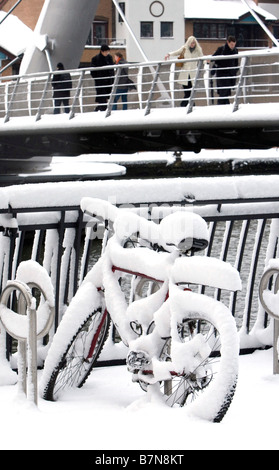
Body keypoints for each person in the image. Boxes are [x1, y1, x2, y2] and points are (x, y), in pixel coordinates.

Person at [165, 36, 204, 107]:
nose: (192, 45)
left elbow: (202, 57)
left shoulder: (198, 50)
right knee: (187, 91)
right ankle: (189, 105)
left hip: (192, 73)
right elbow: (177, 52)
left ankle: (186, 105)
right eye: (191, 43)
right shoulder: (184, 48)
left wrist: (206, 62)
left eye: (193, 43)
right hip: (185, 73)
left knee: (191, 91)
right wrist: (169, 54)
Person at [211, 36, 238, 105]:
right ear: (228, 42)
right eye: (231, 44)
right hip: (222, 74)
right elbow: (213, 58)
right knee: (223, 92)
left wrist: (235, 70)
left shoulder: (235, 50)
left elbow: (236, 62)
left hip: (230, 75)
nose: (233, 46)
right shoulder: (221, 49)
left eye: (234, 44)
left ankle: (224, 106)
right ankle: (222, 107)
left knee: (226, 93)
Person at [90, 44, 114, 111]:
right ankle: (100, 110)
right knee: (102, 98)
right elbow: (92, 71)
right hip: (100, 82)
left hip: (108, 82)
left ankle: (99, 109)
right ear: (102, 51)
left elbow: (112, 69)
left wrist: (112, 78)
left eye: (108, 51)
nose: (107, 53)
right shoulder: (95, 59)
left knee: (105, 98)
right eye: (105, 51)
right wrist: (98, 78)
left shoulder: (109, 58)